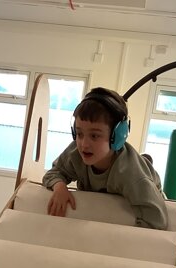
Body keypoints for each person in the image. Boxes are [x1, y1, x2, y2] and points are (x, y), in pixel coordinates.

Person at [42, 87, 168, 230]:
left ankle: (146, 162)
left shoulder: (131, 175)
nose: (84, 144)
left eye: (94, 136)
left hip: (149, 194)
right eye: (79, 134)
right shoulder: (75, 153)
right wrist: (59, 187)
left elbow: (157, 220)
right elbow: (53, 173)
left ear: (118, 136)